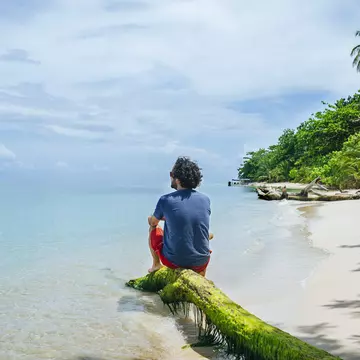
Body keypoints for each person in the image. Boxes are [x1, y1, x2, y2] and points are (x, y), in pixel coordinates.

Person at [147, 156, 212, 277]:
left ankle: (156, 264)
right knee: (204, 234)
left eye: (171, 174)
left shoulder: (165, 200)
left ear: (176, 178)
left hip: (175, 262)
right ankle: (201, 274)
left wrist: (151, 218)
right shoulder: (205, 199)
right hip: (203, 261)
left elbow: (153, 223)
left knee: (153, 229)